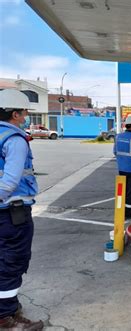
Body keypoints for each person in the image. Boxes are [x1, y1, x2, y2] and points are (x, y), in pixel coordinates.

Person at [0, 89, 44, 329]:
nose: (27, 116)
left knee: (2, 259)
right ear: (15, 114)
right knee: (12, 260)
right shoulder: (14, 140)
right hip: (11, 212)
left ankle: (7, 306)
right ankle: (6, 316)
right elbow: (9, 182)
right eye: (25, 112)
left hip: (5, 212)